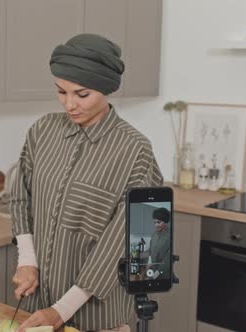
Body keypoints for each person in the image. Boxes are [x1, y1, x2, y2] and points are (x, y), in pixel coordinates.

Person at [9, 33, 163, 332]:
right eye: (61, 92)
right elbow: (19, 197)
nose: (70, 105)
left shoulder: (135, 151)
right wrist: (27, 260)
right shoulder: (43, 131)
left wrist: (61, 310)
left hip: (97, 318)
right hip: (38, 307)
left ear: (107, 90)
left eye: (82, 95)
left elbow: (125, 241)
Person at [148, 208, 171, 280]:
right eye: (154, 222)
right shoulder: (154, 235)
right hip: (153, 272)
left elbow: (167, 261)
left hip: (163, 275)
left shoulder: (170, 236)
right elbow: (150, 250)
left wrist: (155, 275)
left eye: (158, 222)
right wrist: (149, 261)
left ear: (165, 221)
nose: (156, 225)